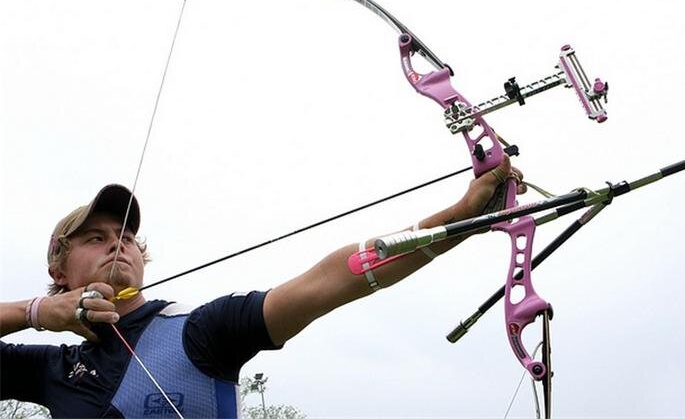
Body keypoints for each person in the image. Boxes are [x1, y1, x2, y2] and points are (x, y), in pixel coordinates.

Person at [0, 155, 523, 418]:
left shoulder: (198, 330)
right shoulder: (52, 370)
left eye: (129, 237)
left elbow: (332, 279)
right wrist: (35, 312)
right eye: (95, 237)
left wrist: (461, 218)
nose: (119, 245)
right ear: (59, 272)